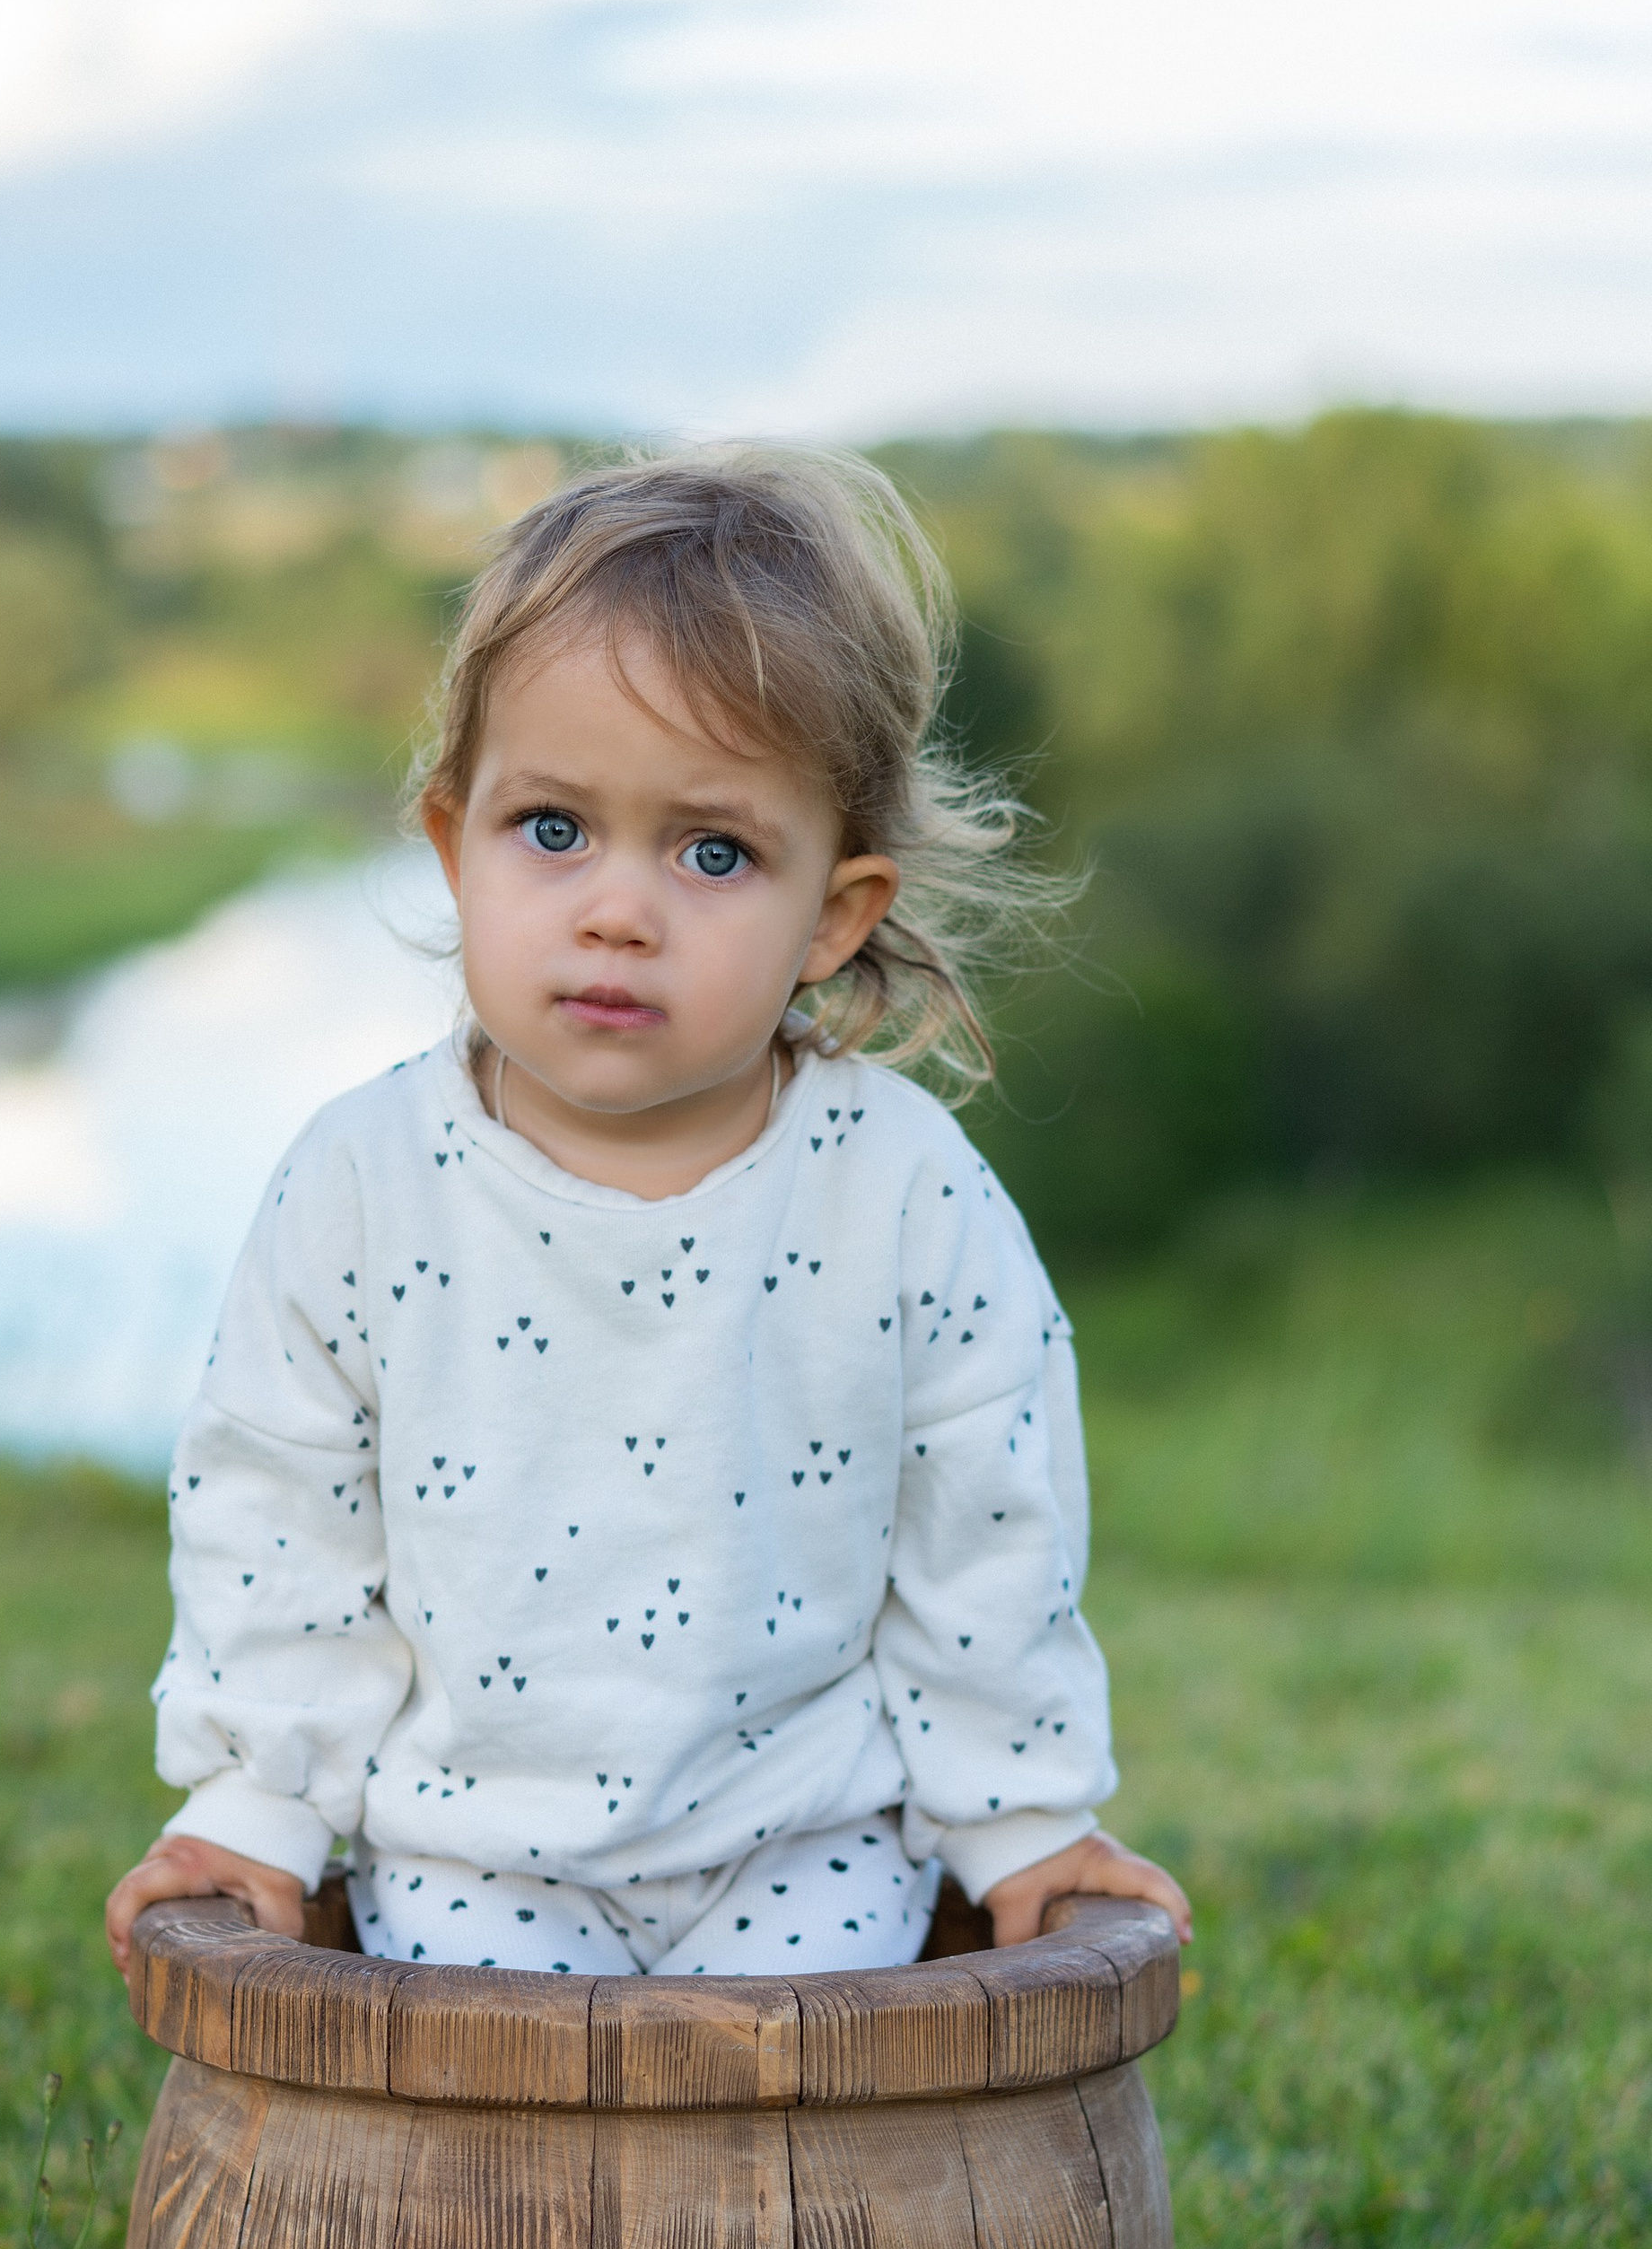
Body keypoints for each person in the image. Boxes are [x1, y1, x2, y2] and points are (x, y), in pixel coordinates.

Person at [107, 449, 1189, 1990]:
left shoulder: (899, 1189)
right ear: (449, 841)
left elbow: (988, 1526)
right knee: (508, 2183)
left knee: (792, 2185)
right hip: (472, 1855)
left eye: (714, 851)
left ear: (835, 910)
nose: (620, 909)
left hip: (809, 1845)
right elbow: (279, 1513)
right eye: (552, 829)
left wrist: (1020, 1819)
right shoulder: (363, 1179)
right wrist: (258, 1804)